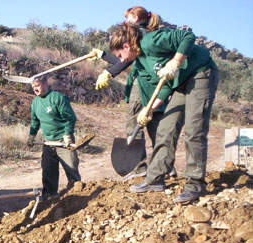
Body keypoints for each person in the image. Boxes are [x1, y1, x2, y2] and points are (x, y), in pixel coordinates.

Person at [109, 23, 219, 202]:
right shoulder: (142, 62)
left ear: (127, 46)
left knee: (194, 129)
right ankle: (154, 178)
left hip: (201, 73)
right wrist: (149, 108)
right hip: (180, 84)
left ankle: (195, 184)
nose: (121, 60)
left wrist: (176, 61)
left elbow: (187, 37)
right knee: (165, 129)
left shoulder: (151, 41)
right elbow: (166, 83)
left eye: (120, 55)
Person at [87, 7, 175, 180]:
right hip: (154, 85)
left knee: (134, 123)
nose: (125, 21)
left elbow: (124, 61)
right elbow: (125, 59)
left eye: (127, 18)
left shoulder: (138, 34)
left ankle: (138, 167)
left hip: (141, 85)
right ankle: (166, 166)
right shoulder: (148, 34)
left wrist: (109, 73)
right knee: (154, 124)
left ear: (135, 17)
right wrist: (103, 55)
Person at [27, 76, 81, 199]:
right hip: (48, 143)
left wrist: (67, 134)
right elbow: (34, 122)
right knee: (48, 171)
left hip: (63, 141)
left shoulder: (58, 98)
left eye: (38, 85)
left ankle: (77, 197)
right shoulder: (35, 103)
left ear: (45, 83)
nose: (35, 89)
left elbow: (70, 118)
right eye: (33, 87)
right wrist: (31, 136)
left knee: (71, 168)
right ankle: (49, 197)